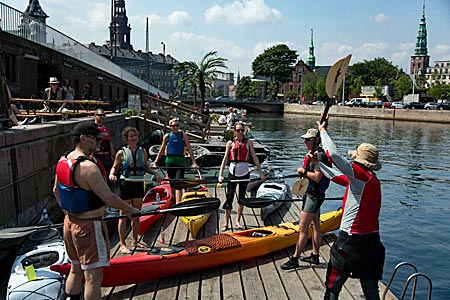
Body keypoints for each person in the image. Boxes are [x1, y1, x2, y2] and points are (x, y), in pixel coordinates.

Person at [53, 122, 141, 300]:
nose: (100, 143)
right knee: (93, 277)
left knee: (75, 269)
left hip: (69, 224)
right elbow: (109, 198)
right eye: (96, 139)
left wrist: (69, 214)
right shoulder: (88, 167)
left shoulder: (63, 161)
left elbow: (56, 190)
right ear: (83, 139)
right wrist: (130, 210)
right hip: (89, 227)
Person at [317, 117, 385, 300]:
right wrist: (318, 163)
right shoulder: (370, 180)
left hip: (350, 242)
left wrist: (322, 131)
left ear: (359, 161)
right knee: (371, 293)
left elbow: (333, 155)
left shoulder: (360, 175)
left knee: (332, 289)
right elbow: (337, 177)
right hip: (371, 245)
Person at [281, 128, 330, 270]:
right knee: (315, 225)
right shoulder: (313, 155)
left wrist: (303, 172)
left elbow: (317, 177)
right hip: (314, 194)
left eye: (308, 139)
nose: (305, 142)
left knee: (302, 227)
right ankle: (315, 255)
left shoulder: (319, 156)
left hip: (313, 196)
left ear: (315, 141)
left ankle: (295, 258)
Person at [109, 127, 162, 254]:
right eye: (131, 136)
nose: (133, 138)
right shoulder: (121, 153)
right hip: (125, 185)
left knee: (136, 214)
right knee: (123, 215)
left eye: (135, 136)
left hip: (138, 184)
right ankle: (122, 243)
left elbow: (146, 167)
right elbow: (114, 168)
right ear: (126, 138)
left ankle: (135, 240)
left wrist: (155, 173)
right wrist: (112, 175)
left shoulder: (142, 151)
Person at [218, 122, 266, 231]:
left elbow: (254, 158)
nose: (240, 132)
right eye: (238, 130)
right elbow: (225, 159)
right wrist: (220, 175)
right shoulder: (230, 143)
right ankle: (226, 223)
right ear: (234, 131)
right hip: (233, 174)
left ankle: (238, 221)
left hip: (244, 173)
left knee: (242, 198)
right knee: (229, 198)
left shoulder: (248, 143)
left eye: (241, 130)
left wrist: (261, 173)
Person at [152, 118, 199, 204]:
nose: (176, 127)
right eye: (174, 126)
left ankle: (178, 203)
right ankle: (173, 201)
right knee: (172, 182)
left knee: (179, 182)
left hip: (180, 161)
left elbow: (189, 149)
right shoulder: (167, 136)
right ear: (170, 127)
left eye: (177, 125)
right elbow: (161, 150)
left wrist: (194, 162)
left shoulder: (183, 135)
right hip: (170, 161)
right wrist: (155, 162)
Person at [93, 109, 115, 179]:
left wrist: (114, 157)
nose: (102, 117)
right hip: (97, 157)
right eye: (100, 115)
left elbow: (109, 143)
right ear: (95, 116)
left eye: (103, 115)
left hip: (107, 157)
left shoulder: (105, 129)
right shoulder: (92, 129)